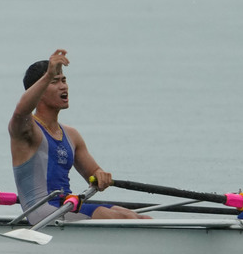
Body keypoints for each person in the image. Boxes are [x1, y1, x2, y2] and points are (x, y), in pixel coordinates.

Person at [9, 49, 147, 222]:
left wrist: (100, 175)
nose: (63, 86)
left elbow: (93, 172)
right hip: (41, 213)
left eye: (64, 80)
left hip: (66, 206)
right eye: (54, 81)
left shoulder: (71, 135)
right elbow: (20, 112)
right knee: (121, 218)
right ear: (39, 90)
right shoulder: (26, 130)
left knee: (137, 217)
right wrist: (47, 76)